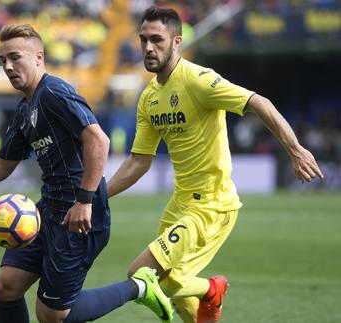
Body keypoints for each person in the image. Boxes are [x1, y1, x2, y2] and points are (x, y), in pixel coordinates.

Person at [0, 24, 173, 323]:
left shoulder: (54, 92)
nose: (8, 67)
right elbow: (1, 165)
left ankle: (139, 287)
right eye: (2, 61)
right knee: (6, 286)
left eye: (15, 57)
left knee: (52, 315)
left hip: (80, 217)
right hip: (47, 211)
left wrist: (85, 201)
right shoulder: (25, 109)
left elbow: (98, 139)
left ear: (39, 57)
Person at [106, 6, 324, 323]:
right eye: (143, 40)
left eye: (157, 39)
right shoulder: (149, 97)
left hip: (210, 205)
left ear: (177, 42)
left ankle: (211, 289)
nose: (149, 47)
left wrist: (295, 149)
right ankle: (205, 298)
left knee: (140, 275)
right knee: (173, 294)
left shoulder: (198, 80)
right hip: (180, 203)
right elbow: (139, 162)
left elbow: (257, 102)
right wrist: (97, 195)